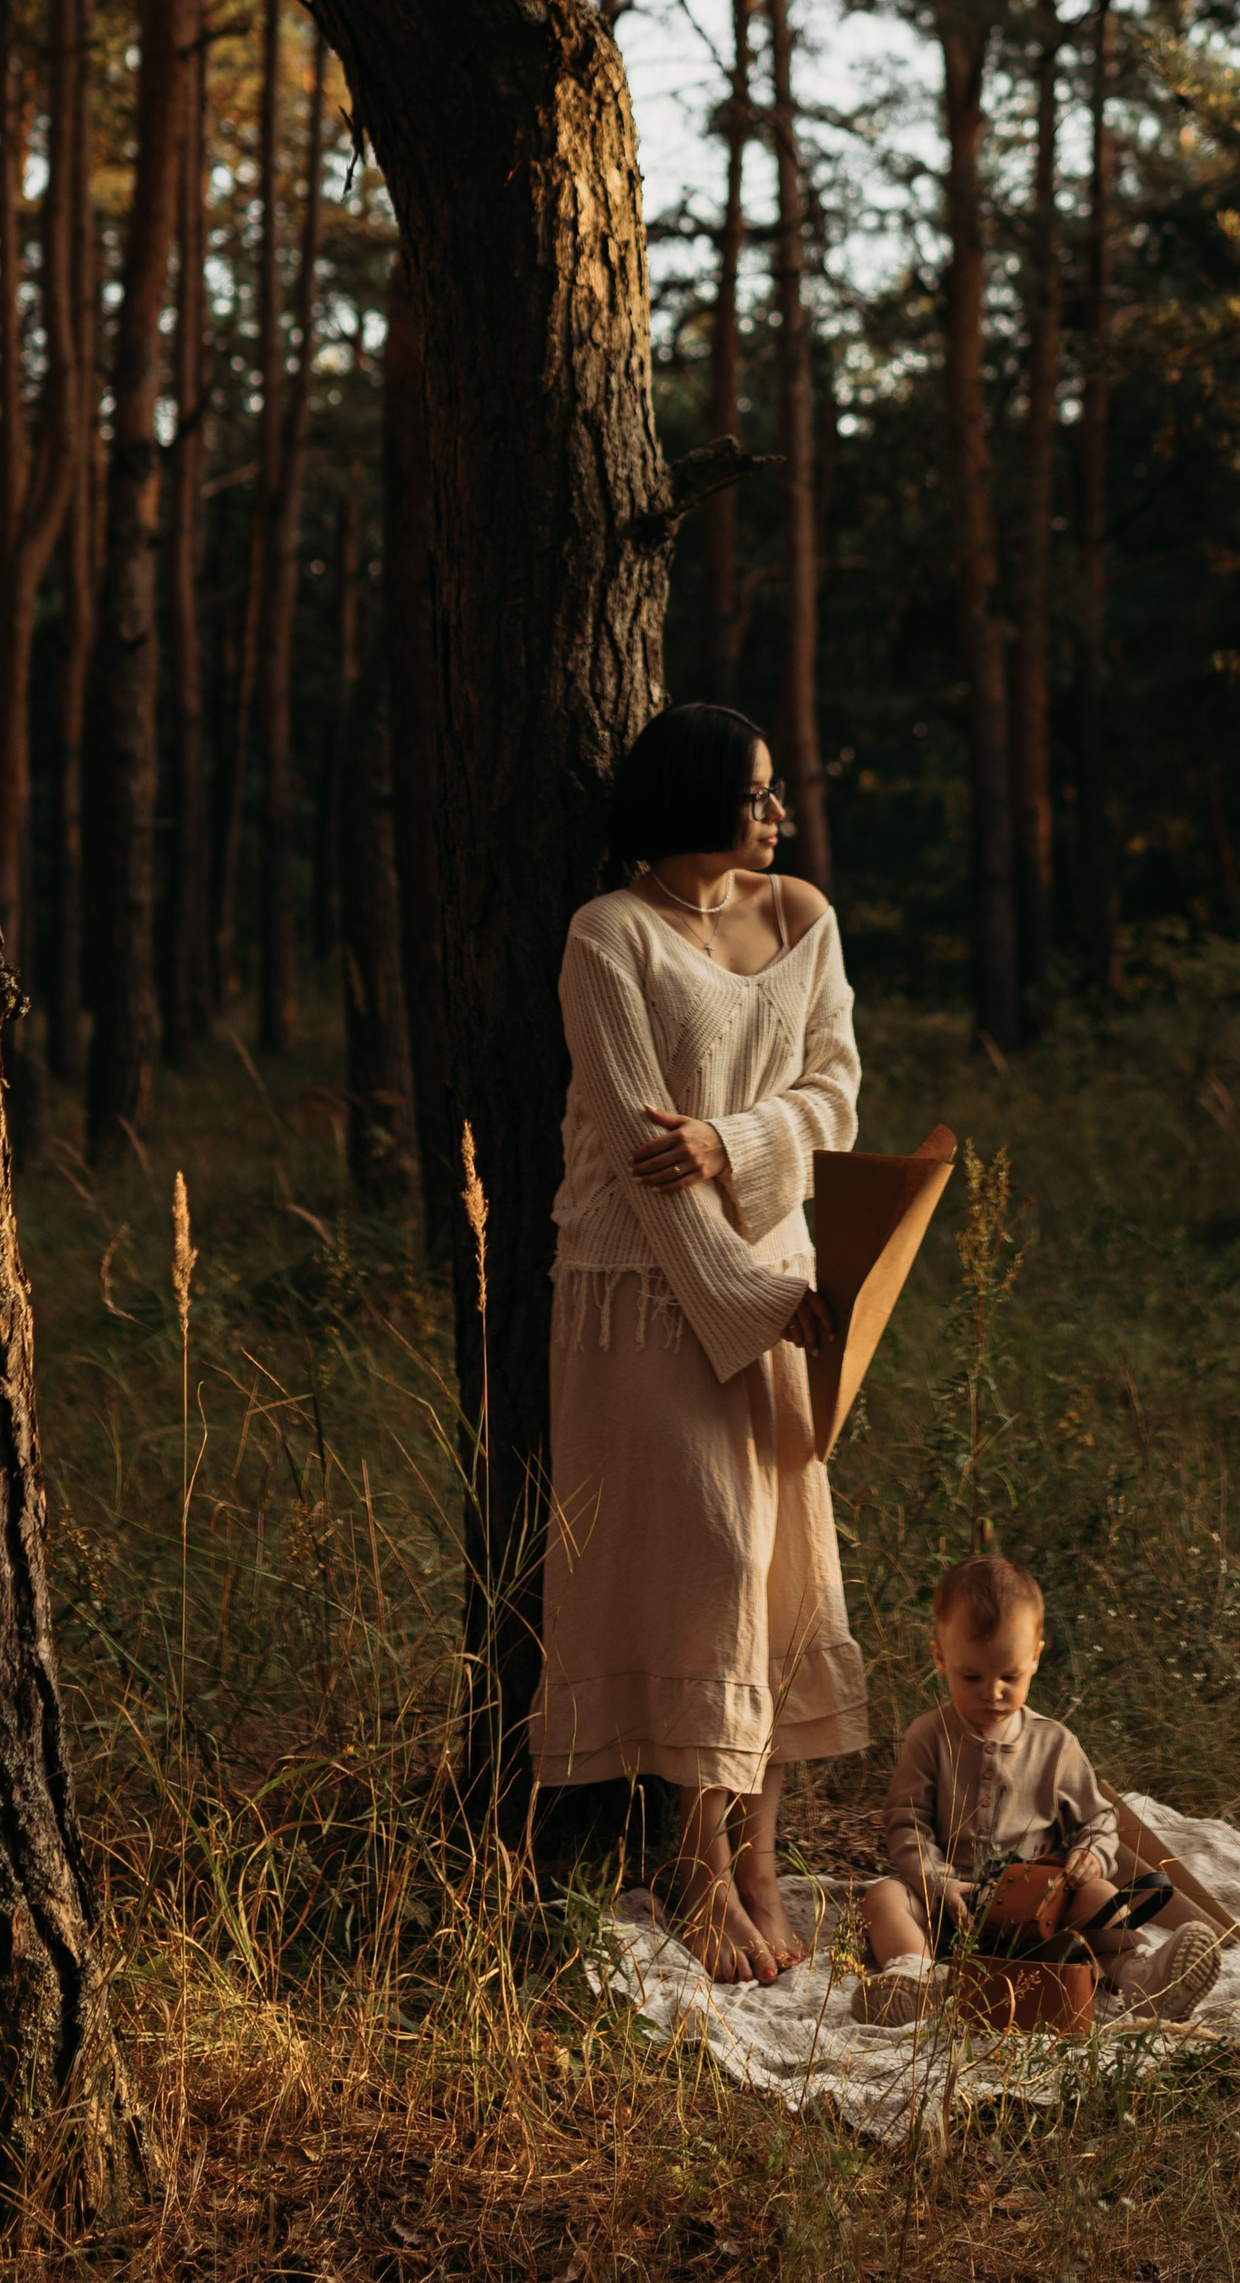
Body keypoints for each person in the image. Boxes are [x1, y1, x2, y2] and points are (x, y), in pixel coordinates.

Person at [530, 702, 869, 1985]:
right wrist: (744, 1299)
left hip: (781, 1285)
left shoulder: (802, 916)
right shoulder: (606, 939)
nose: (779, 814)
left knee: (779, 1572)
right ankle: (689, 1859)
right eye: (758, 794)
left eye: (779, 791)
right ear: (689, 802)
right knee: (708, 1564)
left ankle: (761, 1862)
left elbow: (836, 1088)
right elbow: (635, 1150)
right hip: (641, 1293)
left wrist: (734, 1143)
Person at [853, 1552, 1227, 2027]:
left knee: (1099, 1893)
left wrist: (1090, 1854)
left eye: (1009, 1677)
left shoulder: (1055, 1744)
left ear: (1035, 1658)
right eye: (973, 1677)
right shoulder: (929, 1736)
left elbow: (1098, 1819)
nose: (992, 1692)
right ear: (940, 1659)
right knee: (884, 1897)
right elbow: (907, 1822)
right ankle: (919, 1978)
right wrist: (936, 1880)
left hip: (1041, 1910)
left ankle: (1142, 1978)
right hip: (951, 1905)